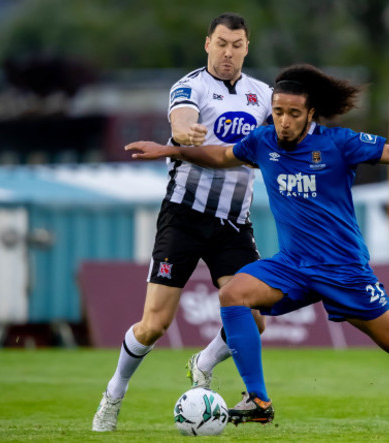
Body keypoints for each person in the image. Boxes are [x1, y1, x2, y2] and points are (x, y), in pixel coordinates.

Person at [126, 64, 389, 434]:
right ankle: (258, 400)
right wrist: (171, 150)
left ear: (311, 113)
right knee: (233, 295)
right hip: (293, 266)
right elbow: (222, 155)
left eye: (293, 113)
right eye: (278, 111)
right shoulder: (263, 141)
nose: (283, 120)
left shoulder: (339, 144)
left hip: (344, 270)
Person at [92, 12, 273, 432]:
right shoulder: (190, 86)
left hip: (232, 222)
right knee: (155, 324)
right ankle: (114, 393)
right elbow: (182, 119)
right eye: (222, 43)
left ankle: (204, 361)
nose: (229, 53)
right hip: (183, 217)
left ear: (247, 47)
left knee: (256, 317)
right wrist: (186, 132)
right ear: (207, 43)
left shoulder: (262, 95)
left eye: (237, 45)